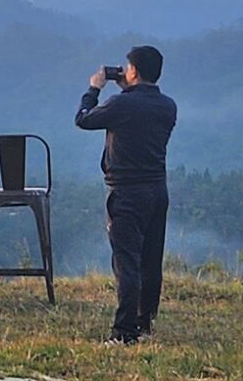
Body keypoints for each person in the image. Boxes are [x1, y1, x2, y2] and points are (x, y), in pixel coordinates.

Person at [76, 45, 177, 342]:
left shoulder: (119, 105)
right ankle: (145, 323)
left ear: (132, 71)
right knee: (150, 261)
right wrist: (128, 89)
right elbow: (139, 113)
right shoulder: (168, 106)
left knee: (127, 262)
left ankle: (123, 332)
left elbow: (84, 119)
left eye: (127, 67)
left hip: (126, 193)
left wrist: (93, 89)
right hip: (158, 191)